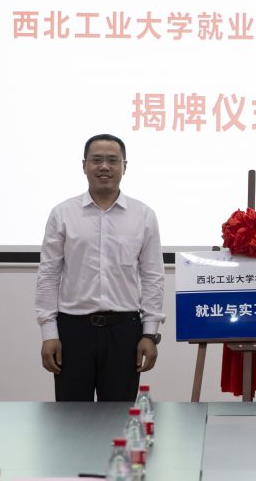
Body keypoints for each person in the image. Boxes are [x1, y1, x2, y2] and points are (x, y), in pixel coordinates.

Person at [35, 134, 165, 401]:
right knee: (71, 416)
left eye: (112, 160)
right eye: (96, 160)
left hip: (124, 331)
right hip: (73, 330)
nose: (104, 166)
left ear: (124, 166)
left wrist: (149, 333)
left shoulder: (143, 215)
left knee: (118, 415)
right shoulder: (62, 213)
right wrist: (49, 332)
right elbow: (48, 275)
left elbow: (153, 276)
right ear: (84, 165)